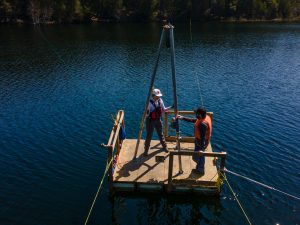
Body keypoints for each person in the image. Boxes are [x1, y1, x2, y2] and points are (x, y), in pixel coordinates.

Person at [177, 107, 212, 175]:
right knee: (197, 156)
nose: (196, 115)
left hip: (200, 142)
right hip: (201, 140)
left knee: (200, 156)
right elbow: (194, 120)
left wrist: (202, 149)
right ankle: (199, 167)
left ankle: (200, 170)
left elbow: (202, 137)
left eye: (197, 114)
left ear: (200, 115)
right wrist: (183, 118)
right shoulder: (206, 117)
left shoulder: (202, 124)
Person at [144, 88, 173, 156]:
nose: (158, 97)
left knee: (160, 134)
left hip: (158, 119)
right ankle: (146, 150)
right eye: (157, 96)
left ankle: (164, 146)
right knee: (149, 135)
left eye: (159, 96)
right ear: (153, 95)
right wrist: (147, 113)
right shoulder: (149, 102)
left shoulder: (160, 100)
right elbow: (147, 114)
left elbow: (164, 109)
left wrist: (171, 107)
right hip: (150, 121)